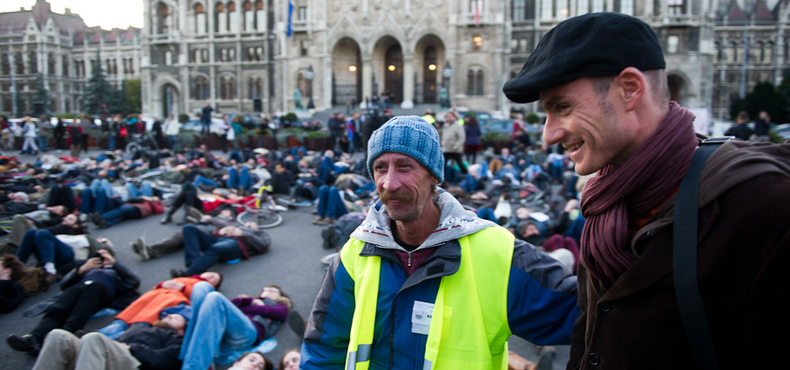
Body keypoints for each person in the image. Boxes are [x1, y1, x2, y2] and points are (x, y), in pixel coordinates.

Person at [502, 12, 790, 369]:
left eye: (562, 107)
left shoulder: (761, 204)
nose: (549, 134)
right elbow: (589, 337)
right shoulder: (606, 202)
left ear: (630, 89)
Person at [300, 116, 578, 368]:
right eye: (380, 168)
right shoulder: (354, 253)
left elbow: (586, 316)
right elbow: (323, 350)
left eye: (404, 166)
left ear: (434, 174)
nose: (389, 182)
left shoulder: (498, 252)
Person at [6, 249, 140, 353]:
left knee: (90, 292)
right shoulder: (85, 269)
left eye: (105, 258)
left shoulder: (115, 272)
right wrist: (82, 268)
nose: (101, 261)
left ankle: (66, 335)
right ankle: (34, 339)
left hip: (102, 292)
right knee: (60, 307)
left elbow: (134, 281)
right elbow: (63, 284)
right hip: (79, 289)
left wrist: (114, 263)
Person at [179, 282, 292, 370]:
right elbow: (224, 304)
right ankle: (185, 358)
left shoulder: (280, 305)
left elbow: (276, 313)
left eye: (274, 290)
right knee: (201, 286)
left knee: (215, 298)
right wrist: (251, 301)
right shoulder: (250, 300)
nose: (269, 290)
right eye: (266, 288)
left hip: (248, 332)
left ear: (280, 295)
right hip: (223, 329)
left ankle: (193, 367)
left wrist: (246, 305)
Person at [97, 272, 222, 339]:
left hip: (169, 300)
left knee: (138, 325)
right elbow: (158, 286)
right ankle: (93, 340)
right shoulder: (186, 277)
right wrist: (163, 284)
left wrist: (183, 288)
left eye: (214, 278)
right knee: (120, 323)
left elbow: (200, 297)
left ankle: (102, 344)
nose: (210, 276)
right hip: (153, 297)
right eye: (211, 273)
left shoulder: (206, 286)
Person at [31, 323, 184, 370]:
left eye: (177, 315)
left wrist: (132, 348)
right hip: (101, 360)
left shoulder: (175, 339)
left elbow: (167, 360)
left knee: (94, 338)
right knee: (58, 335)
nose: (170, 314)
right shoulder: (136, 327)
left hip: (134, 364)